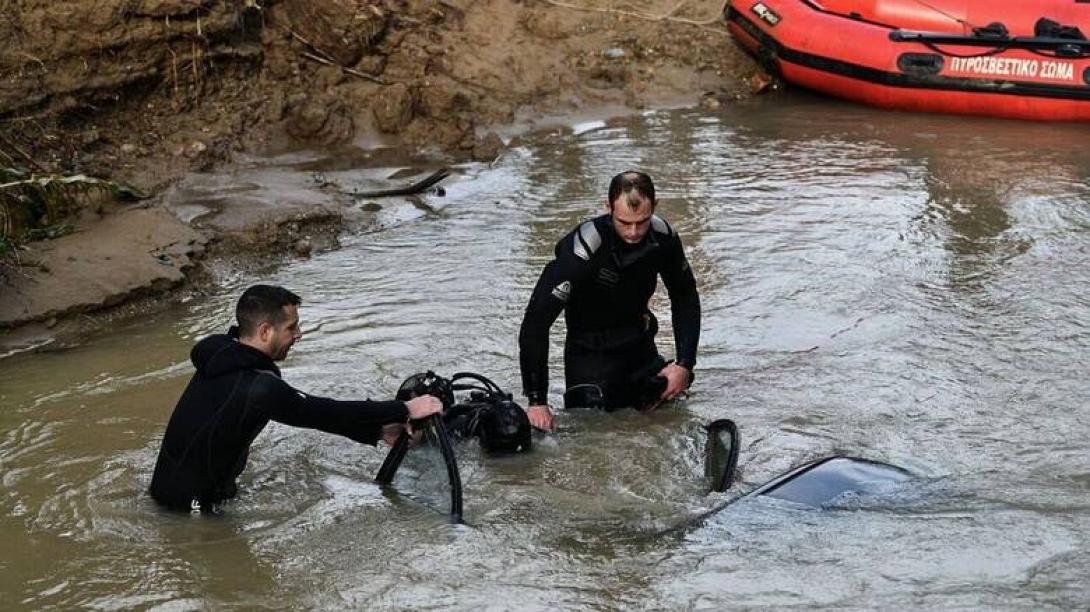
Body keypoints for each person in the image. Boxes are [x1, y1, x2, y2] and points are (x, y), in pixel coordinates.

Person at [149, 284, 443, 513]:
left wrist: (379, 431)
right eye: (291, 327)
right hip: (192, 509)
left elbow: (313, 414)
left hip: (168, 491)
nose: (299, 334)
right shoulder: (259, 387)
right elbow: (321, 412)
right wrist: (403, 408)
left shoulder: (221, 352)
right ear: (265, 331)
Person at [518, 171, 700, 431]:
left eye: (642, 221)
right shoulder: (582, 252)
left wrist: (684, 365)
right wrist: (537, 401)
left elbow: (685, 298)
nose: (634, 232)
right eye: (624, 222)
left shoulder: (664, 238)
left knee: (672, 421)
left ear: (655, 207)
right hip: (590, 359)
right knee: (595, 438)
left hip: (639, 347)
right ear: (608, 207)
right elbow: (535, 324)